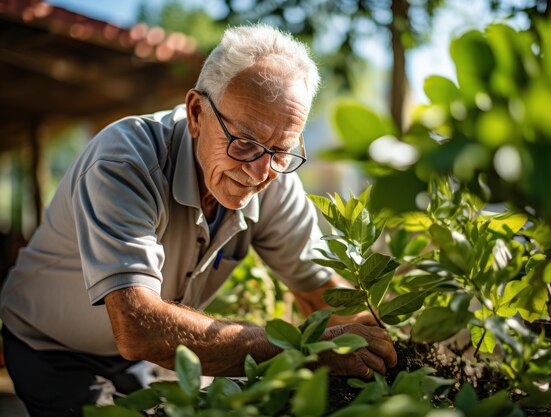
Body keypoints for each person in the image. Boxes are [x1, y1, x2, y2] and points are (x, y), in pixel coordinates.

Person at [0, 24, 396, 416]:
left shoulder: (274, 177)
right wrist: (307, 354)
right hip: (51, 345)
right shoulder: (124, 162)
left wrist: (387, 349)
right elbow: (139, 327)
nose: (260, 173)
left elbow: (319, 292)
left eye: (280, 150)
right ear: (196, 113)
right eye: (243, 141)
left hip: (132, 355)